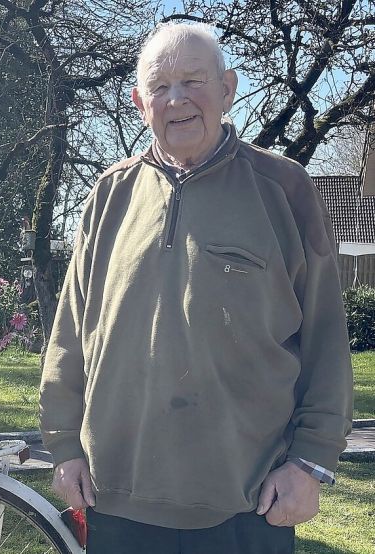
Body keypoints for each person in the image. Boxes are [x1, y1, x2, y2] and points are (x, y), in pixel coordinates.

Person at [39, 23, 353, 553]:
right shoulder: (109, 196)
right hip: (115, 500)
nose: (177, 99)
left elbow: (326, 339)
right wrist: (65, 447)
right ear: (140, 103)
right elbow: (71, 333)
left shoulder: (284, 188)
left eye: (193, 80)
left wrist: (309, 464)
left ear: (228, 88)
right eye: (160, 87)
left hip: (247, 503)